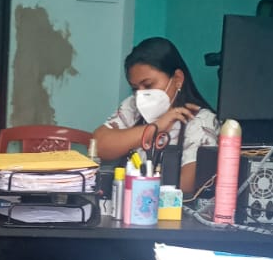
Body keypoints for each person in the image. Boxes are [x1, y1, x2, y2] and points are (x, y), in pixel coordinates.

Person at [93, 36, 219, 192]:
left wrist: (139, 188)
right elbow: (98, 145)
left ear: (178, 79)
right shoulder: (133, 106)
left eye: (148, 85)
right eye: (135, 88)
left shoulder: (199, 120)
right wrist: (155, 128)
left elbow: (188, 184)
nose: (140, 95)